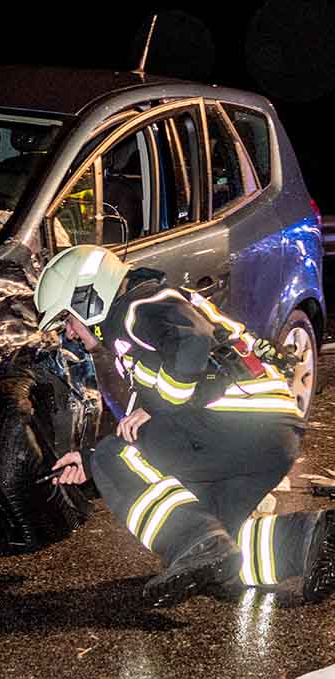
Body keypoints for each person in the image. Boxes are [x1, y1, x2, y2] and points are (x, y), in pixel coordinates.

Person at [34, 244, 334, 607]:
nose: (68, 333)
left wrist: (142, 421)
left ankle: (196, 539)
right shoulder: (144, 321)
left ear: (88, 298)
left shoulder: (135, 308)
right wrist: (88, 458)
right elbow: (144, 414)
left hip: (237, 422)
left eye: (66, 319)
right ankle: (311, 540)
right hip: (267, 433)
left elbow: (192, 343)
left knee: (117, 459)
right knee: (221, 559)